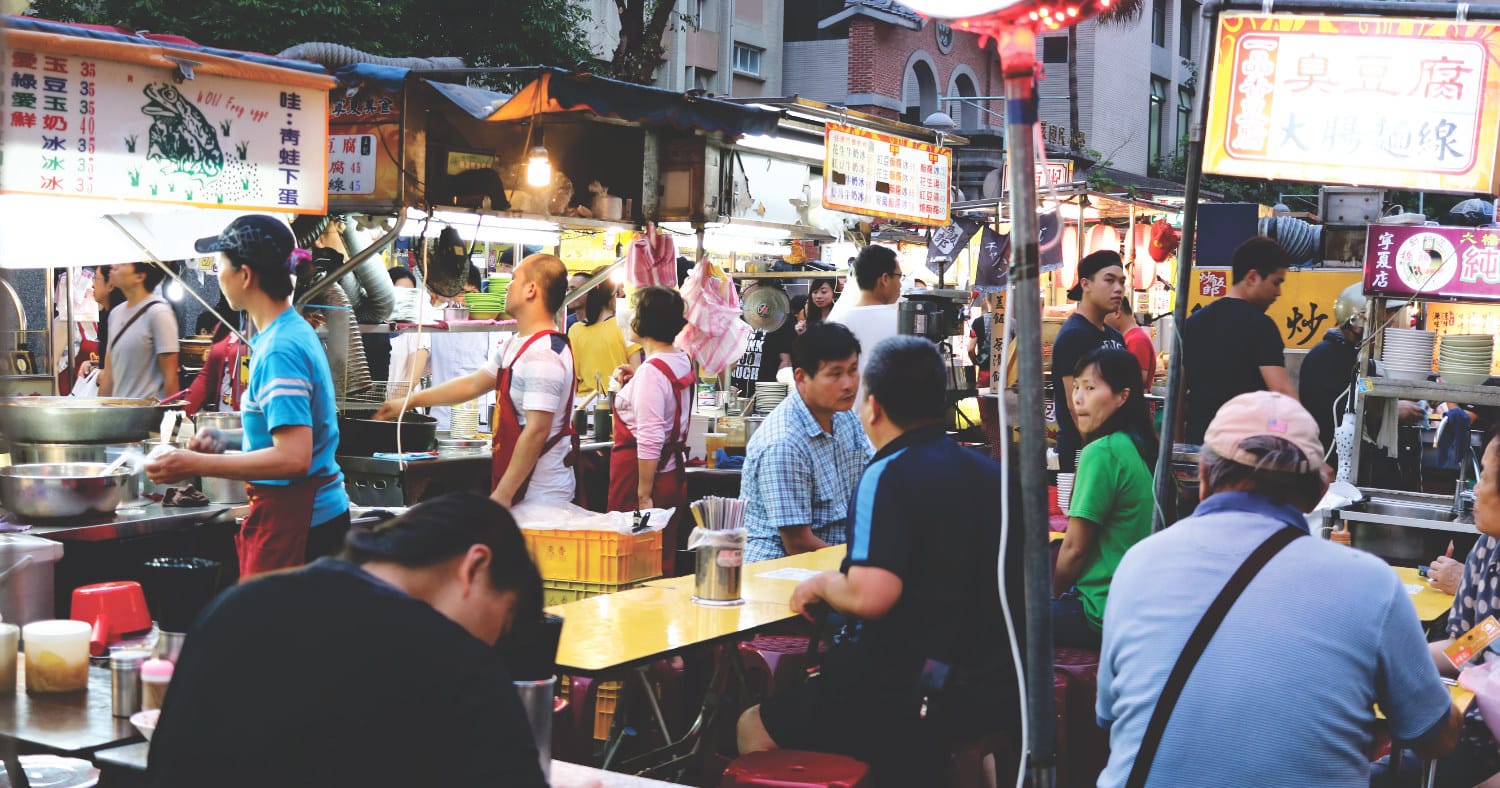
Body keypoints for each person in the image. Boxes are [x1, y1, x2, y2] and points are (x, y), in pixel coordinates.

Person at [1096, 391, 1462, 787]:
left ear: (1202, 474)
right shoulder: (1372, 585)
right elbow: (1434, 737)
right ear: (1321, 489)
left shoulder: (1139, 563)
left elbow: (1111, 715)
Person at [737, 336, 1012, 786]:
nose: (849, 387)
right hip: (984, 683)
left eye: (855, 377)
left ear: (874, 406)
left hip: (905, 689)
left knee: (753, 724)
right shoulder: (988, 473)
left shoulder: (888, 471)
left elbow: (872, 595)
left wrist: (824, 584)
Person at [145, 493, 549, 788]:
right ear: (475, 566)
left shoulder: (235, 608)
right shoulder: (460, 664)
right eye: (507, 615)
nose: (495, 639)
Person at [146, 216, 350, 579]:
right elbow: (289, 435)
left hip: (303, 525)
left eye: (221, 264)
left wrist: (191, 463)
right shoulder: (288, 332)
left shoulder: (279, 349)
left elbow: (293, 458)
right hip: (308, 519)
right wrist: (228, 440)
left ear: (244, 275)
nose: (217, 273)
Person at [377, 253, 577, 508]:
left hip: (542, 497)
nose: (507, 285)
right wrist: (409, 400)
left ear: (531, 290)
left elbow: (537, 429)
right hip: (520, 491)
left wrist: (503, 495)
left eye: (514, 279)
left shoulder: (544, 353)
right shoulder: (517, 345)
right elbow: (472, 384)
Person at [1052, 348, 1156, 650]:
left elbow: (1074, 550)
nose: (1078, 399)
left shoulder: (1102, 452)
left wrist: (1054, 593)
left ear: (1122, 396)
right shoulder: (1141, 444)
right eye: (1076, 388)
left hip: (1101, 611)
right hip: (1139, 606)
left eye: (1090, 388)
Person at [741, 323, 868, 562]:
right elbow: (798, 543)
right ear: (801, 378)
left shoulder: (845, 416)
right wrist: (860, 566)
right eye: (835, 374)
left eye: (852, 370)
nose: (849, 384)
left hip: (835, 558)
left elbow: (872, 479)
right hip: (779, 570)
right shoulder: (784, 444)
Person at [609, 287, 694, 575]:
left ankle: (639, 615)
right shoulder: (679, 359)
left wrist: (643, 496)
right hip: (671, 476)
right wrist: (635, 387)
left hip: (644, 481)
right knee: (660, 553)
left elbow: (650, 436)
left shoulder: (651, 371)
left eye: (634, 312)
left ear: (645, 321)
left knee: (636, 557)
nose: (630, 318)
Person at [1181, 236, 1296, 445]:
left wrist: (1177, 446)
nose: (1278, 292)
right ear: (1252, 277)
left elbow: (1178, 393)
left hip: (1199, 449)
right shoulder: (1261, 326)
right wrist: (1303, 443)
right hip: (1245, 452)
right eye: (1276, 282)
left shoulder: (1193, 323)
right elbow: (1282, 394)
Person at [1051, 250, 1127, 472]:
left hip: (1116, 448)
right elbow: (1075, 405)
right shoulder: (1074, 336)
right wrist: (1097, 453)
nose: (1118, 289)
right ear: (1086, 284)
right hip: (1084, 452)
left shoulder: (1116, 337)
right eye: (1109, 280)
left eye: (1122, 282)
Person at [830, 246, 901, 404]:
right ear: (884, 279)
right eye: (899, 276)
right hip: (889, 423)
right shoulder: (902, 323)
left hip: (844, 421)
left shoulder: (836, 322)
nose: (900, 284)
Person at [98, 262, 180, 400]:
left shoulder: (159, 313)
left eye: (123, 264)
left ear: (140, 276)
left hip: (148, 416)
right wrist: (99, 415)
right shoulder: (115, 314)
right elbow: (109, 376)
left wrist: (172, 418)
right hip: (119, 415)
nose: (114, 266)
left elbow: (170, 378)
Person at [567, 270, 630, 400]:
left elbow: (573, 378)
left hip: (583, 403)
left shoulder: (575, 329)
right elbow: (635, 371)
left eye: (573, 289)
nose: (568, 293)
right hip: (618, 400)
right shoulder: (624, 326)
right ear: (614, 295)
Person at [729, 280, 795, 399]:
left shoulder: (781, 321)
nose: (744, 290)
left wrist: (774, 392)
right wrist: (727, 384)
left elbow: (785, 363)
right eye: (745, 285)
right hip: (736, 391)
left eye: (748, 286)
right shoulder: (739, 318)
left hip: (765, 395)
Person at [182, 305, 247, 415]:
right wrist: (182, 415)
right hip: (223, 422)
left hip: (246, 423)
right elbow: (207, 376)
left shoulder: (262, 328)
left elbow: (246, 382)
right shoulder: (223, 326)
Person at [1105, 303, 1156, 389]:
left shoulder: (1137, 340)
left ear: (1117, 312)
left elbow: (1138, 378)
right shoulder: (1127, 337)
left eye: (1104, 314)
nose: (1102, 319)